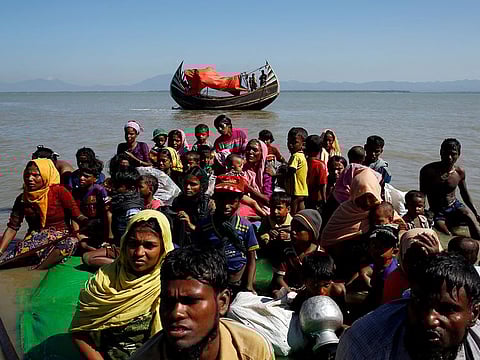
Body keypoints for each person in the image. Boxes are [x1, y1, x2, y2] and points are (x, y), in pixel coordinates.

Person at [129, 245, 275, 360]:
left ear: (222, 302)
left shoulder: (252, 350)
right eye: (168, 301)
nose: (176, 313)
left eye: (190, 301)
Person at [336, 252, 480, 360]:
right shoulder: (365, 344)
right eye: (419, 303)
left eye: (447, 309)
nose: (429, 319)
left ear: (474, 314)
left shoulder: (476, 346)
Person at [71, 210, 174, 359]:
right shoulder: (102, 282)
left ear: (164, 247)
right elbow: (80, 332)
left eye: (149, 246)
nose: (139, 253)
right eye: (133, 244)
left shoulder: (171, 285)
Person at [0, 159, 87, 269]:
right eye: (27, 175)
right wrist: (1, 251)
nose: (30, 179)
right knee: (8, 262)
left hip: (62, 236)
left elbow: (76, 215)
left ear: (46, 175)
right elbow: (12, 227)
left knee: (69, 243)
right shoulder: (22, 199)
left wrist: (87, 221)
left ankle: (37, 270)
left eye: (36, 175)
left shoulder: (59, 191)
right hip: (36, 239)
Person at [193, 176, 259, 294]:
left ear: (239, 201)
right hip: (212, 280)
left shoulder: (246, 227)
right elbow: (197, 254)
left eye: (232, 200)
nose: (226, 205)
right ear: (215, 199)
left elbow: (251, 257)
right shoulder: (204, 226)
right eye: (221, 199)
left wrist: (249, 286)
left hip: (238, 280)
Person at [82, 168, 144, 268]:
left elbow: (134, 236)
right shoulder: (120, 201)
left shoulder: (132, 209)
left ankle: (125, 265)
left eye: (118, 186)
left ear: (131, 188)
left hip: (125, 247)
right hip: (118, 244)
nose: (114, 188)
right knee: (85, 246)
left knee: (87, 258)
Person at [420, 138, 480, 239]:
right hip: (437, 210)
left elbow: (464, 193)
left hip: (454, 205)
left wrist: (475, 212)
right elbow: (422, 193)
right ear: (440, 152)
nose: (449, 157)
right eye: (446, 153)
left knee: (473, 224)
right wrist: (424, 212)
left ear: (458, 155)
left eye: (453, 154)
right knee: (447, 235)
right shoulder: (428, 171)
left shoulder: (459, 172)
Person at [382, 228, 442, 304]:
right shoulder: (394, 280)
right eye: (413, 257)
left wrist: (436, 260)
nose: (418, 263)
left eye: (425, 256)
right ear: (403, 256)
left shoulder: (445, 277)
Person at [271, 209, 323, 297]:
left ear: (312, 232)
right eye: (293, 228)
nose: (293, 232)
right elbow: (279, 278)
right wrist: (290, 292)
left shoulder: (320, 254)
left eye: (299, 229)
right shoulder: (287, 250)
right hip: (287, 290)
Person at [72, 159, 110, 252]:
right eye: (80, 175)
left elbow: (107, 214)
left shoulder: (100, 191)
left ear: (95, 178)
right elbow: (74, 216)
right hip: (83, 228)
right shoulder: (76, 192)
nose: (81, 178)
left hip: (99, 228)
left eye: (86, 176)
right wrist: (78, 235)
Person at [171, 166, 212, 246]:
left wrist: (190, 225)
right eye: (186, 183)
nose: (188, 187)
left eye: (193, 184)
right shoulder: (178, 201)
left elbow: (210, 233)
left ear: (202, 186)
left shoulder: (208, 205)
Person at [224, 153, 267, 218]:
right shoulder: (231, 175)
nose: (242, 167)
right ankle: (264, 215)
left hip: (240, 194)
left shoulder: (240, 174)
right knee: (253, 203)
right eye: (240, 166)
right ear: (233, 167)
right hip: (239, 195)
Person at [285, 127, 309, 214]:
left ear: (303, 144)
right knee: (301, 212)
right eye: (289, 142)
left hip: (295, 191)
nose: (290, 145)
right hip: (303, 190)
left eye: (294, 142)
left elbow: (291, 171)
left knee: (293, 213)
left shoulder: (295, 156)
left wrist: (275, 175)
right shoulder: (303, 156)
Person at [304, 135, 328, 210]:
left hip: (305, 195)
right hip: (316, 199)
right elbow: (322, 184)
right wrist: (324, 200)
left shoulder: (303, 161)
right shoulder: (320, 164)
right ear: (320, 150)